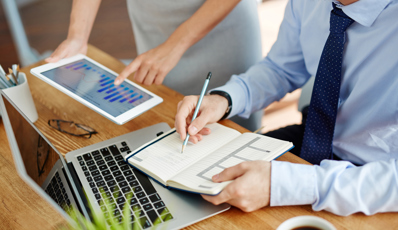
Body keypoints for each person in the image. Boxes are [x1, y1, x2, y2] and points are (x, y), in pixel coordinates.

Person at [175, 0, 398, 216]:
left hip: (374, 173)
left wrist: (286, 185)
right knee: (198, 191)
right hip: (314, 134)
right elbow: (281, 68)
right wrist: (224, 99)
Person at [46, 0, 263, 131]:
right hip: (154, 25)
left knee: (231, 128)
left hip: (222, 30)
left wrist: (174, 45)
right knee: (168, 124)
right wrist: (77, 36)